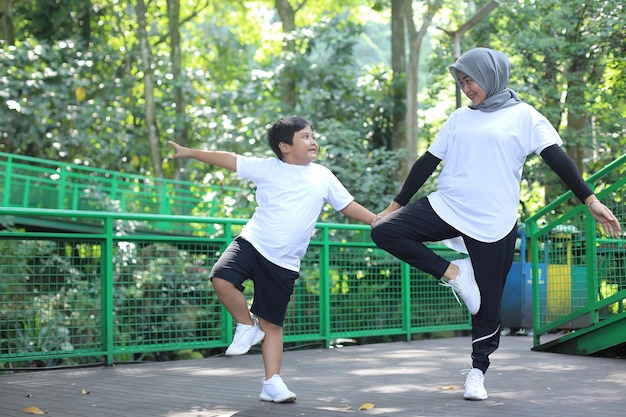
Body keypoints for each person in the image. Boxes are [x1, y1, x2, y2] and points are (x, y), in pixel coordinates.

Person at [370, 47, 622, 401]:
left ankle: (477, 371)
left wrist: (590, 199)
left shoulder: (524, 116)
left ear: (490, 75)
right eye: (460, 81)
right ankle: (456, 273)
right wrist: (394, 206)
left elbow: (557, 159)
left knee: (488, 303)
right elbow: (427, 162)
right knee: (384, 231)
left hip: (495, 219)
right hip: (449, 204)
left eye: (469, 79)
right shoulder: (459, 118)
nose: (465, 88)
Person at [168, 116, 378, 403]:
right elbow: (229, 159)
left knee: (272, 325)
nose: (313, 140)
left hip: (285, 261)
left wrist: (375, 220)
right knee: (221, 277)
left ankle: (272, 383)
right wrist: (191, 152)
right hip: (253, 242)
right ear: (285, 147)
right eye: (305, 136)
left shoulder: (323, 175)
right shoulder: (268, 168)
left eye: (312, 135)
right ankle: (244, 325)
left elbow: (347, 205)